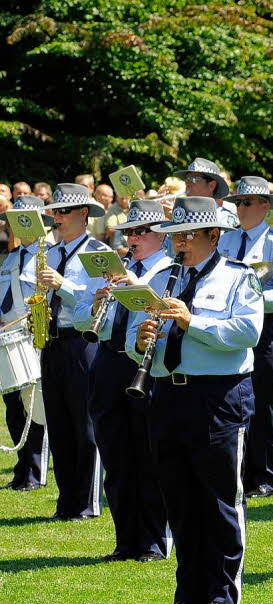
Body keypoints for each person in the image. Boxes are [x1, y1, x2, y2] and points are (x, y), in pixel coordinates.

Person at [127, 195, 262, 604]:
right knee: (179, 497)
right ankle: (188, 592)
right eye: (174, 235)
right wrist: (140, 342)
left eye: (187, 236)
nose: (178, 243)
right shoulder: (163, 279)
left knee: (219, 498)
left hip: (218, 396)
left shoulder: (239, 278)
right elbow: (136, 335)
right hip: (168, 393)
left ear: (213, 235)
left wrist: (191, 321)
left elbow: (248, 332)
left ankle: (222, 593)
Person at [74, 200, 173, 561]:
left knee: (147, 454)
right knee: (115, 455)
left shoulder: (168, 270)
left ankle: (153, 541)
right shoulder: (118, 270)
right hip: (107, 363)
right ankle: (125, 539)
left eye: (140, 231)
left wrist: (135, 285)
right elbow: (84, 320)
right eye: (129, 232)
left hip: (144, 365)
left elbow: (159, 313)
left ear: (160, 235)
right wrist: (98, 300)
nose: (132, 238)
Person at [27, 183, 111, 520]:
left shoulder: (97, 252)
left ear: (84, 214)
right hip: (53, 341)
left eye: (64, 212)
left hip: (83, 342)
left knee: (85, 423)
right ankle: (67, 501)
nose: (57, 218)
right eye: (55, 212)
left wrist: (63, 285)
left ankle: (88, 501)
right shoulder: (52, 251)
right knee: (59, 424)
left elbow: (97, 297)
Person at [217, 176, 273, 498]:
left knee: (264, 401)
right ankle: (240, 469)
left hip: (266, 329)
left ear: (265, 207)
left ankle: (265, 476)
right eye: (238, 202)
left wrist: (252, 301)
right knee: (237, 399)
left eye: (247, 202)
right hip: (232, 328)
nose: (241, 208)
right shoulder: (224, 240)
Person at [0, 196, 50, 492]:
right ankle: (22, 469)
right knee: (13, 405)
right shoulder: (10, 258)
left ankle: (35, 471)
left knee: (35, 405)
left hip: (35, 336)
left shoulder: (48, 257)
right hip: (10, 336)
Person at [173, 157, 239, 228]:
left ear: (211, 186)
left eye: (194, 179)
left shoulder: (225, 219)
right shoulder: (181, 213)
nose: (187, 183)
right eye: (187, 178)